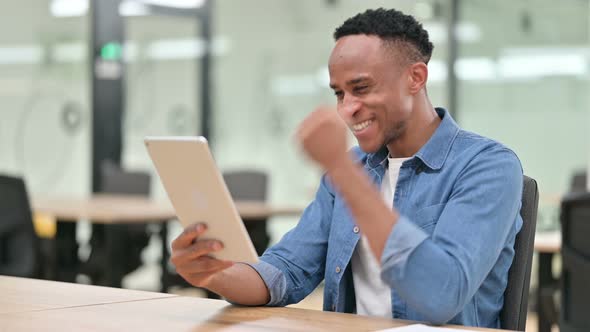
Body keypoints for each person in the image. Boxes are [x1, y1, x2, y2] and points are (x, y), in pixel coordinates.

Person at [170, 8, 523, 329]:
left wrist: (340, 167)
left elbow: (441, 295)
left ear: (415, 78)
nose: (347, 109)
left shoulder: (488, 166)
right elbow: (286, 272)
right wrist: (214, 273)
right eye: (339, 93)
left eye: (362, 88)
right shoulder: (349, 171)